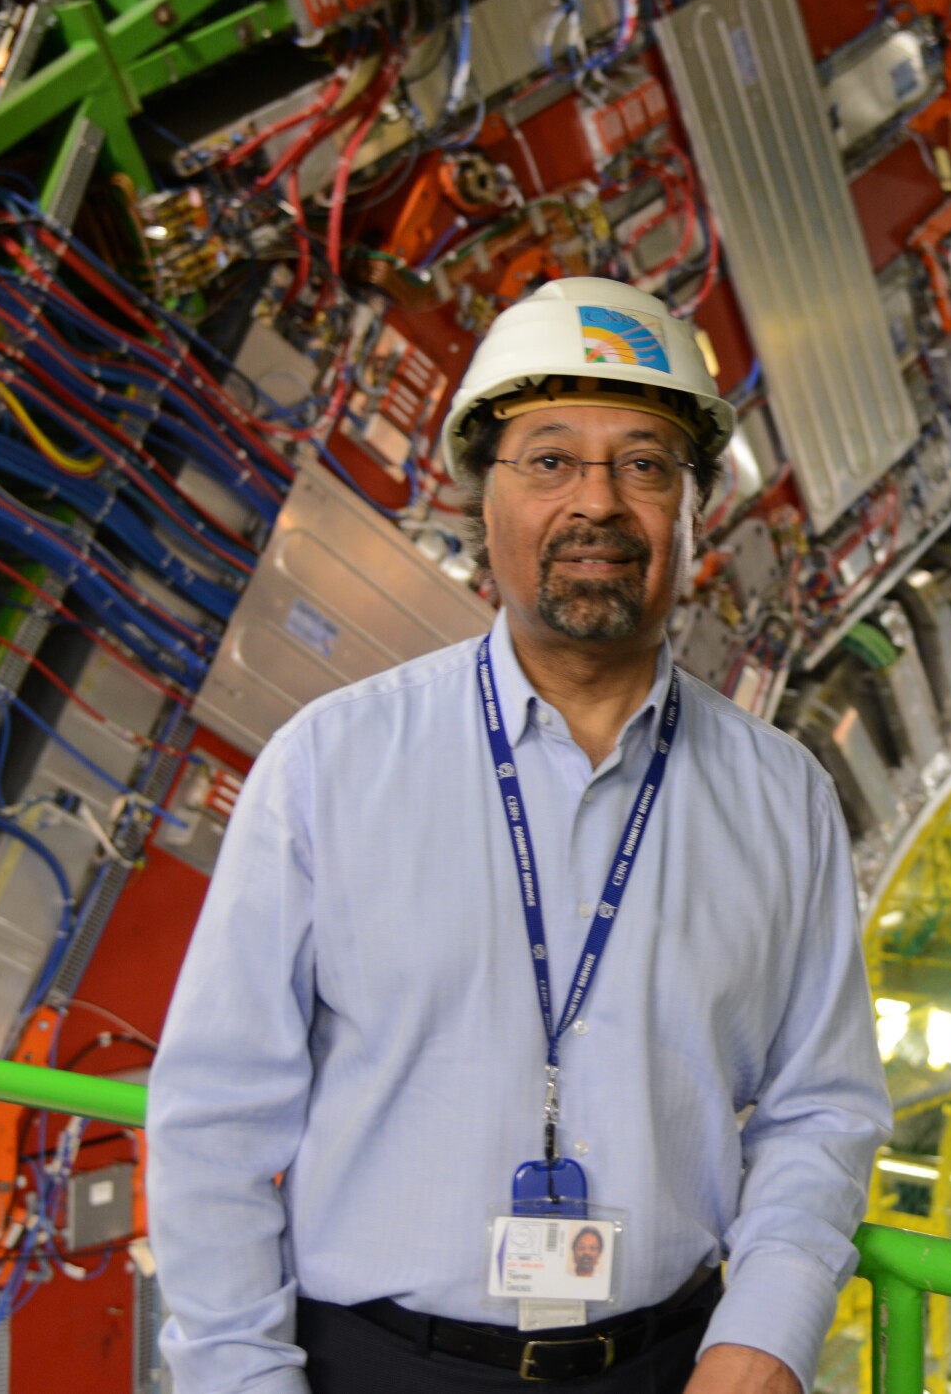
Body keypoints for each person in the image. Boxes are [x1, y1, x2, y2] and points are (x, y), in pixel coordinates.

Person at [149, 277, 893, 1394]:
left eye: (644, 464)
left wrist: (766, 1329)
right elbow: (214, 1119)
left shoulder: (781, 798)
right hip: (375, 1366)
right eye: (549, 460)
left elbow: (821, 1105)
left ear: (694, 512)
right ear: (478, 499)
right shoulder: (330, 767)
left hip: (674, 1365)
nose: (596, 503)